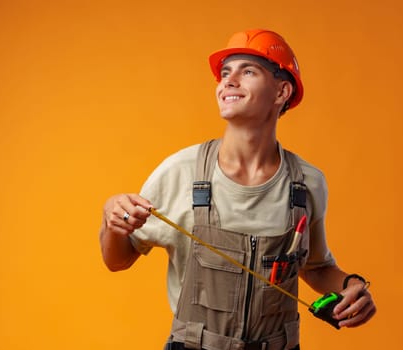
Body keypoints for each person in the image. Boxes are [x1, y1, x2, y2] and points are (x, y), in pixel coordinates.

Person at [99, 29, 376, 350]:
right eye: (225, 74)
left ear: (282, 91)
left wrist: (353, 286)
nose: (228, 81)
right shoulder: (180, 171)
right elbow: (117, 260)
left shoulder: (308, 183)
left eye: (248, 71)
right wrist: (111, 219)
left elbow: (316, 267)